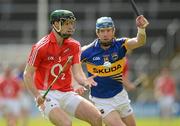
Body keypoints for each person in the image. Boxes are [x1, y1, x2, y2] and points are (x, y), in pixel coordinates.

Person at [23, 9, 102, 126]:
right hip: (46, 94)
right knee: (66, 123)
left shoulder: (74, 45)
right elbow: (27, 74)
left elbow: (77, 72)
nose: (70, 27)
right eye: (66, 23)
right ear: (55, 24)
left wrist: (84, 81)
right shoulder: (40, 47)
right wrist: (37, 95)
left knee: (97, 118)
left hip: (67, 93)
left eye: (71, 23)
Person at [81, 16, 149, 126]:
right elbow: (71, 64)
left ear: (113, 31)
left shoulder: (121, 45)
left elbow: (139, 41)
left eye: (108, 30)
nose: (105, 34)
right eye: (102, 31)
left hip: (120, 95)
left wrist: (141, 29)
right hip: (101, 100)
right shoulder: (87, 51)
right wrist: (81, 80)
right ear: (97, 33)